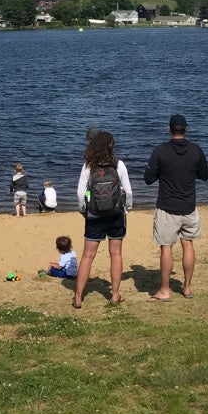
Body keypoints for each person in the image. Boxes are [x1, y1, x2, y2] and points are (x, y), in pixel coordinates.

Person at [143, 113, 208, 300]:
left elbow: (148, 178)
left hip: (167, 207)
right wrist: (188, 171)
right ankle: (187, 287)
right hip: (189, 206)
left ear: (169, 130)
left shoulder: (161, 151)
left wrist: (163, 172)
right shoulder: (196, 150)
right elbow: (204, 174)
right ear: (185, 129)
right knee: (188, 245)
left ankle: (165, 290)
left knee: (166, 247)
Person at [72, 130, 133, 308]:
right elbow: (128, 192)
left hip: (94, 215)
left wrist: (83, 210)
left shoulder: (88, 166)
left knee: (88, 255)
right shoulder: (119, 165)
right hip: (116, 214)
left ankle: (78, 297)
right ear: (111, 147)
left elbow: (80, 193)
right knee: (116, 254)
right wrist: (127, 209)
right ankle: (114, 295)